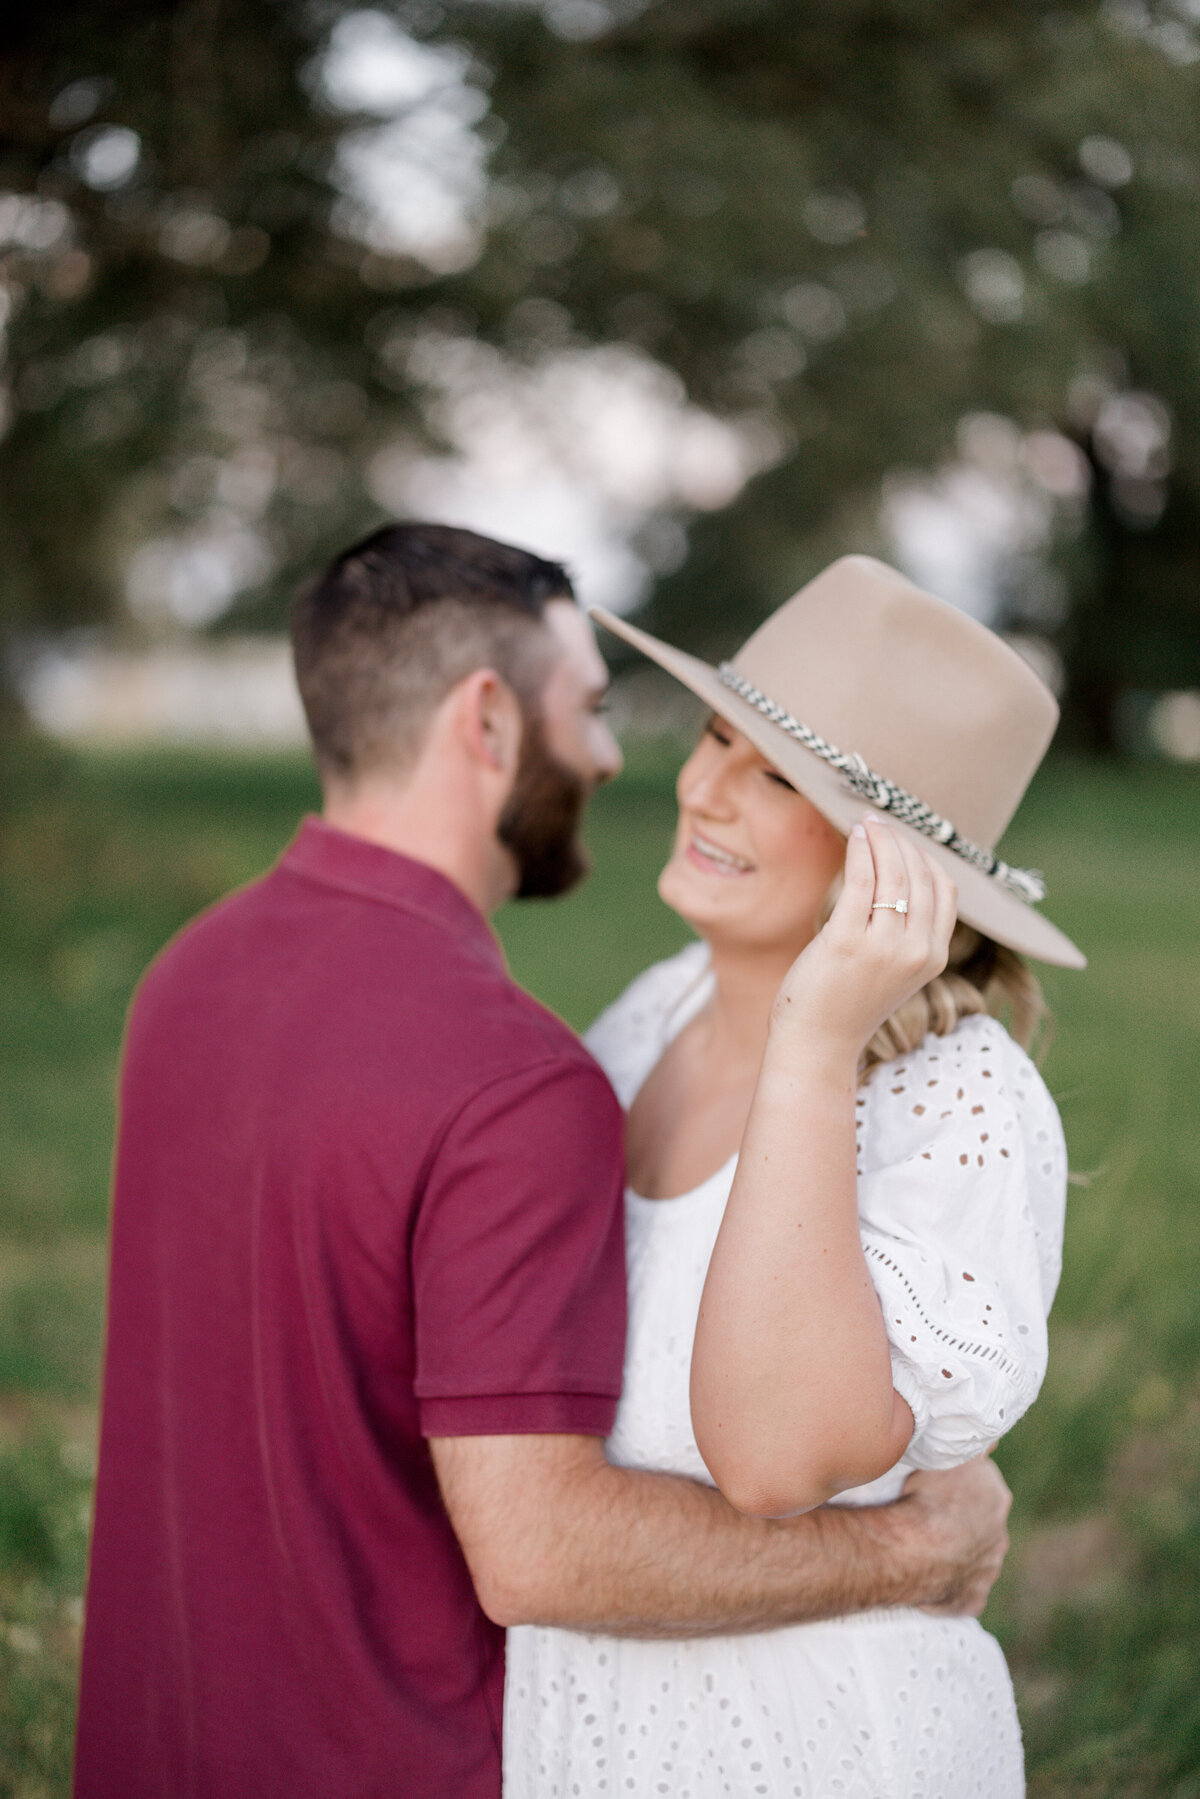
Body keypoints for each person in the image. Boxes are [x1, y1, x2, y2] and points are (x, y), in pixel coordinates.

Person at [75, 527, 1012, 1799]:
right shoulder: (534, 1070)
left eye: (777, 768)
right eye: (595, 709)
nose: (636, 765)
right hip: (397, 1754)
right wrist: (908, 1552)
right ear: (488, 722)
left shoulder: (185, 975)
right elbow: (541, 1550)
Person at [504, 555, 1085, 1798]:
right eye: (714, 736)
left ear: (901, 871)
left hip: (822, 1750)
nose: (703, 789)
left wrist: (816, 1038)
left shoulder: (953, 1100)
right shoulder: (652, 1015)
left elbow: (771, 1464)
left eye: (774, 775)